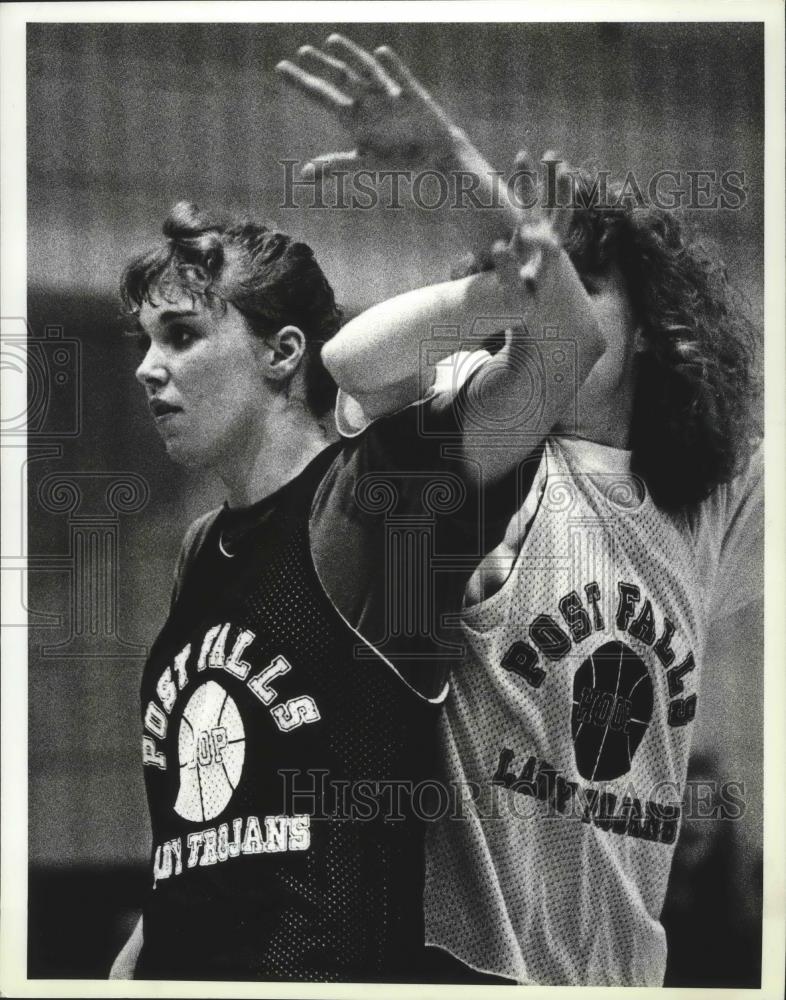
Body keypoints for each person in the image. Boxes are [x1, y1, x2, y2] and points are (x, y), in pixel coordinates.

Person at [277, 35, 763, 987]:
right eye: (552, 277)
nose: (558, 294)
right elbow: (352, 361)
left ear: (659, 325)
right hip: (467, 958)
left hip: (624, 973)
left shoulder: (701, 506)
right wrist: (486, 254)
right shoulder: (494, 418)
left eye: (589, 277)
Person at [108, 129, 605, 977]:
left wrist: (457, 173)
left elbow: (566, 346)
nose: (149, 369)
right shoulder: (202, 550)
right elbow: (196, 847)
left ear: (282, 352)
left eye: (183, 335)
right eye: (145, 341)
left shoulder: (377, 500)